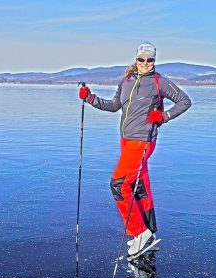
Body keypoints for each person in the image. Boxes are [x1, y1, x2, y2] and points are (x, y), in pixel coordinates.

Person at [78, 42, 191, 257]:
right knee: (138, 184)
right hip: (126, 140)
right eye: (142, 59)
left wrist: (164, 116)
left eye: (150, 60)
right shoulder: (127, 81)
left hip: (143, 141)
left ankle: (139, 233)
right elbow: (113, 106)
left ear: (154, 61)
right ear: (136, 60)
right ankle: (148, 228)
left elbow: (185, 101)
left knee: (119, 184)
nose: (146, 63)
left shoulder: (160, 82)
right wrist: (89, 97)